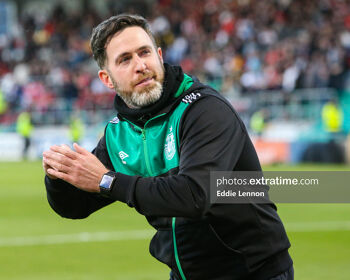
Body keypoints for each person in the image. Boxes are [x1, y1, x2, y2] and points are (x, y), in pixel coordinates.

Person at [43, 14, 293, 280]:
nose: (140, 65)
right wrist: (58, 175)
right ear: (107, 79)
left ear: (159, 56)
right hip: (186, 274)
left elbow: (195, 195)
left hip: (253, 271)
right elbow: (76, 206)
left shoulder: (204, 110)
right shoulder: (119, 132)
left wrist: (106, 181)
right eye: (125, 59)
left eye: (144, 52)